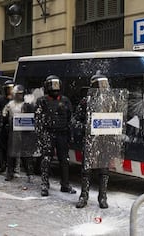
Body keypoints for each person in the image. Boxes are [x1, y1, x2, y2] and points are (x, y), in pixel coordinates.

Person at [76, 72, 121, 209]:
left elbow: (118, 119)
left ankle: (103, 197)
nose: (103, 88)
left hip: (105, 140)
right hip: (91, 140)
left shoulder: (112, 101)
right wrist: (86, 127)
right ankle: (84, 196)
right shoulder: (86, 101)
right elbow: (76, 119)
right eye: (100, 85)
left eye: (104, 84)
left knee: (104, 170)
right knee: (87, 170)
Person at [35, 75, 77, 196]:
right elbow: (38, 120)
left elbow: (70, 119)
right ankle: (44, 184)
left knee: (64, 160)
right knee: (46, 159)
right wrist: (41, 136)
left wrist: (70, 135)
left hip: (62, 134)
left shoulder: (65, 100)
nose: (55, 88)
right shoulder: (42, 101)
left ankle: (65, 184)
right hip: (48, 133)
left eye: (56, 85)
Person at [2, 84, 36, 181]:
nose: (19, 96)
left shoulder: (27, 104)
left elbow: (32, 115)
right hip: (13, 131)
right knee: (11, 154)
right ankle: (10, 173)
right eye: (17, 94)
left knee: (26, 154)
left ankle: (29, 174)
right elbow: (4, 114)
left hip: (24, 131)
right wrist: (5, 122)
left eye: (21, 94)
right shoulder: (10, 104)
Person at [0, 80, 14, 175]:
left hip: (13, 128)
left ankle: (10, 170)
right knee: (1, 148)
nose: (10, 91)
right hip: (3, 127)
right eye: (8, 89)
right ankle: (2, 166)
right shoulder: (1, 100)